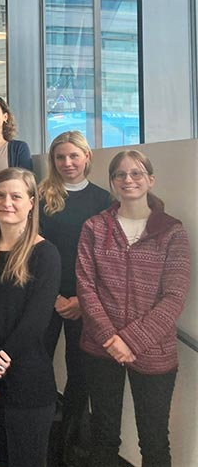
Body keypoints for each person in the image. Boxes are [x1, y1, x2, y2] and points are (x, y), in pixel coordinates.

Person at [77, 150, 190, 467]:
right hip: (101, 348)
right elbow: (86, 286)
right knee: (103, 435)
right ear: (112, 183)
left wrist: (132, 340)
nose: (128, 180)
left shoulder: (172, 231)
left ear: (150, 180)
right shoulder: (95, 228)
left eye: (136, 173)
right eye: (120, 175)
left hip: (154, 350)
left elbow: (174, 296)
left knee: (154, 442)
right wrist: (111, 338)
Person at [0, 168, 61, 467]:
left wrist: (0, 360)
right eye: (0, 195)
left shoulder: (45, 254)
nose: (7, 202)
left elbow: (36, 321)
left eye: (16, 196)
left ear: (31, 202)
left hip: (28, 380)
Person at [38, 131, 111, 465]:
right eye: (59, 157)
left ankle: (68, 450)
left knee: (79, 375)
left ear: (87, 157)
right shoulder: (42, 196)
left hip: (87, 301)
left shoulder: (103, 200)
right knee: (37, 368)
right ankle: (37, 442)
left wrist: (82, 300)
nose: (67, 163)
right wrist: (53, 296)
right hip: (45, 296)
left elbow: (108, 257)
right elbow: (32, 249)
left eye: (73, 156)